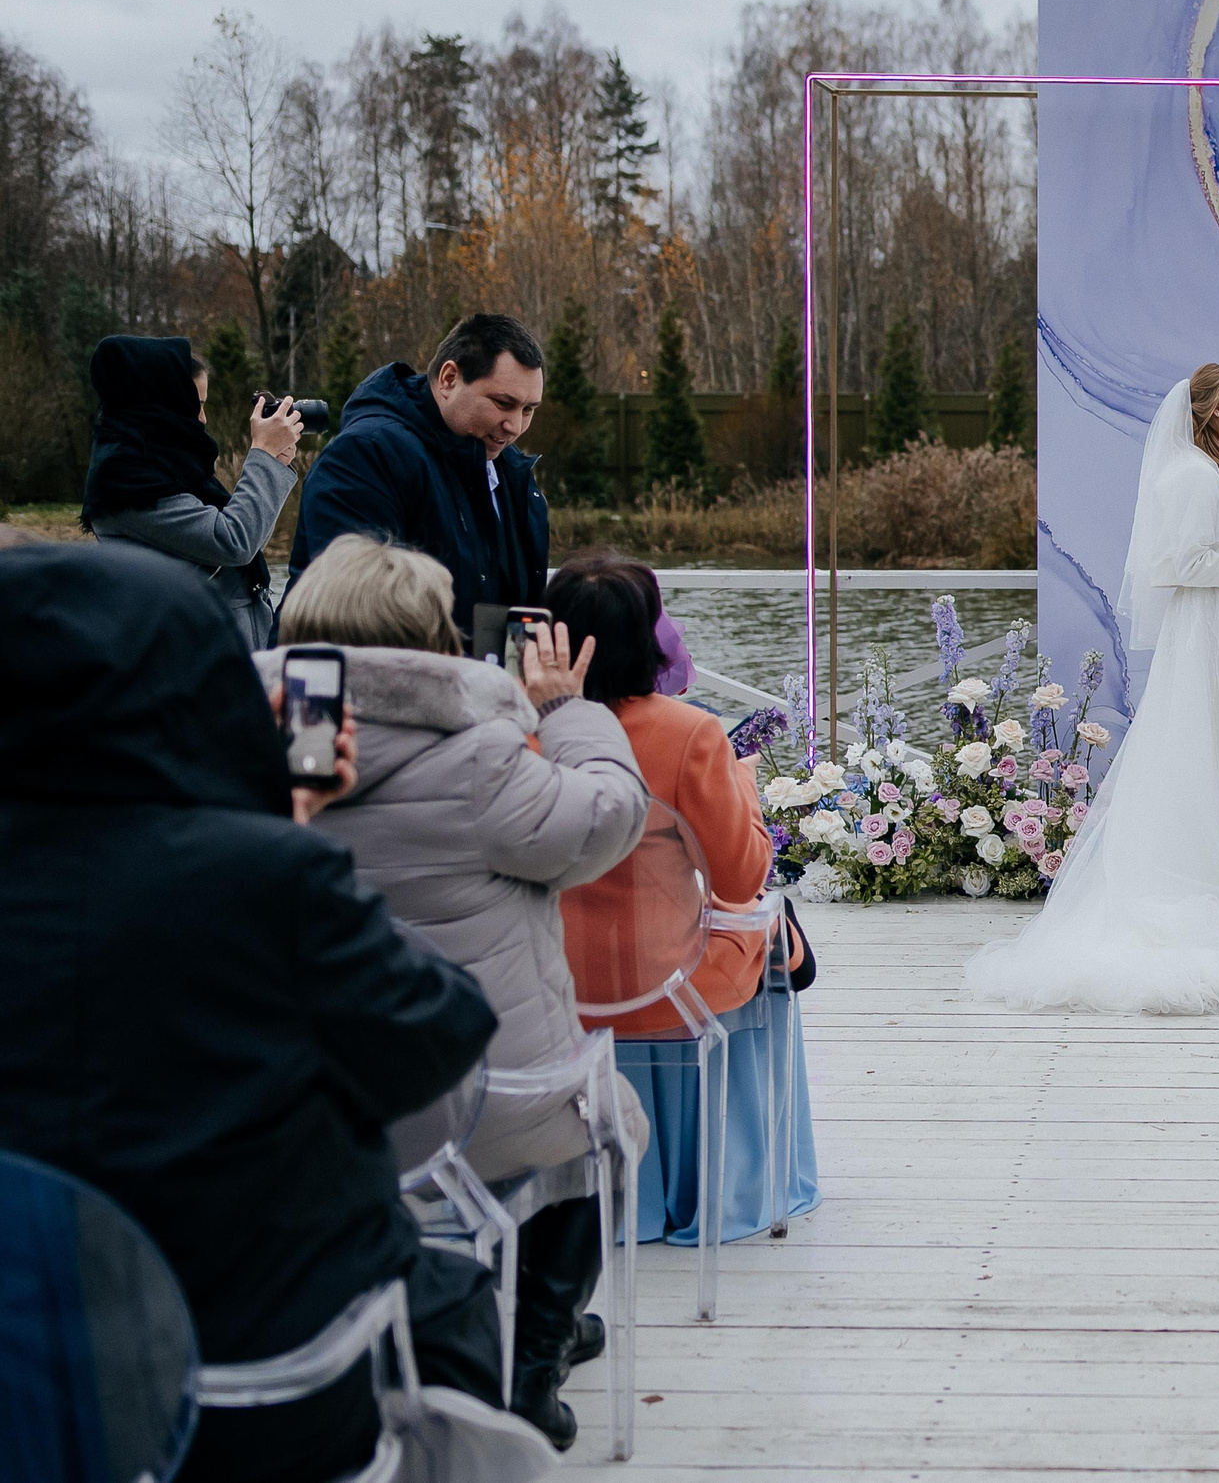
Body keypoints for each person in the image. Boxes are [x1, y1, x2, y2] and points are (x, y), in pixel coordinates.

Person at [0, 541, 503, 1483]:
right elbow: (436, 1042)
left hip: (27, 1388)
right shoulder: (266, 876)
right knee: (455, 1297)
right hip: (256, 1388)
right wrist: (284, 832)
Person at [264, 533, 650, 1449]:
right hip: (474, 1101)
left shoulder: (277, 746)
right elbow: (609, 817)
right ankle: (531, 1357)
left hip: (319, 1103)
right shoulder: (484, 756)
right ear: (432, 637)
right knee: (611, 1122)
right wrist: (568, 711)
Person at [966, 364, 1219, 1013]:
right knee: (1209, 755)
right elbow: (1182, 568)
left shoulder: (1205, 471)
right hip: (1209, 647)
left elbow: (1217, 576)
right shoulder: (1190, 476)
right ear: (1215, 407)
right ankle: (1210, 875)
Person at [547, 553, 819, 1243]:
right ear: (649, 638)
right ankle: (736, 1178)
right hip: (673, 988)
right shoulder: (689, 732)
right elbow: (740, 878)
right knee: (772, 933)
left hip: (554, 990)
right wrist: (746, 786)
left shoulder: (521, 733)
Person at [288, 313, 548, 642]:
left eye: (528, 410)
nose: (515, 427)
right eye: (502, 403)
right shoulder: (365, 456)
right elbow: (351, 616)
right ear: (449, 379)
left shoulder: (509, 470)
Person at [82, 334, 303, 649]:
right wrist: (264, 457)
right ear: (164, 401)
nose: (203, 419)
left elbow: (244, 541)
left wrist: (274, 462)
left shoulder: (164, 466)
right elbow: (233, 541)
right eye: (196, 405)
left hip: (214, 653)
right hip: (192, 662)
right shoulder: (127, 483)